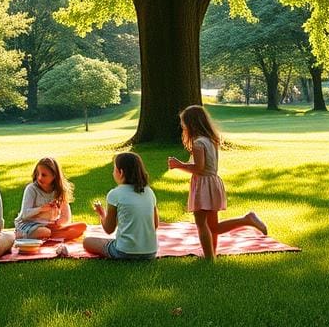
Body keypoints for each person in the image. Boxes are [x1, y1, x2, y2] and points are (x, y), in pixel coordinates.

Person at [167, 105, 267, 259]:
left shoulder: (198, 143)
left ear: (192, 124)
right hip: (213, 183)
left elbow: (199, 168)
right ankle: (213, 253)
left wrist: (178, 165)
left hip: (203, 185)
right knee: (213, 226)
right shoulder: (210, 140)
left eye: (183, 123)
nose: (182, 126)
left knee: (201, 224)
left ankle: (209, 258)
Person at [83, 152, 158, 261]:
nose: (113, 172)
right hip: (150, 253)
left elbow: (109, 229)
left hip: (124, 252)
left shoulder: (115, 194)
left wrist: (102, 214)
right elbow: (155, 225)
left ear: (121, 172)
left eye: (114, 169)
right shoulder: (149, 192)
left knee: (87, 241)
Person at [15, 157, 87, 241]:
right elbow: (24, 215)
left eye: (43, 175)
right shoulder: (31, 189)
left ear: (54, 176)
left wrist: (57, 223)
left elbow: (66, 217)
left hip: (50, 226)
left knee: (82, 226)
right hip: (29, 224)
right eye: (38, 174)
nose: (39, 178)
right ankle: (26, 235)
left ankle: (52, 236)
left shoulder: (59, 191)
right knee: (44, 232)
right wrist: (42, 209)